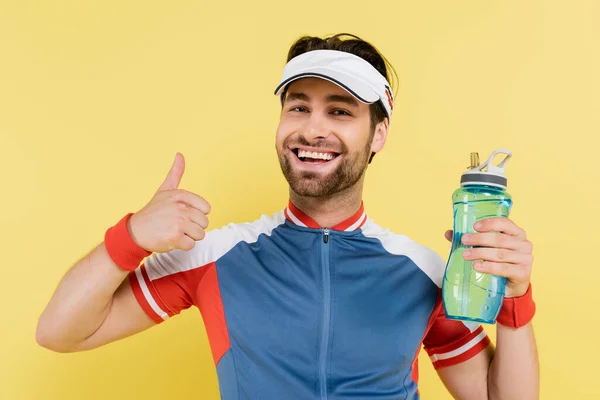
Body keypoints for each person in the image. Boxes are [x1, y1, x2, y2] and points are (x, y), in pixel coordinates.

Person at [36, 33, 539, 399]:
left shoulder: (423, 272)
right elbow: (59, 333)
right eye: (298, 107)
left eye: (340, 112)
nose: (312, 129)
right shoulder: (216, 256)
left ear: (378, 134)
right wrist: (131, 238)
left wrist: (514, 301)